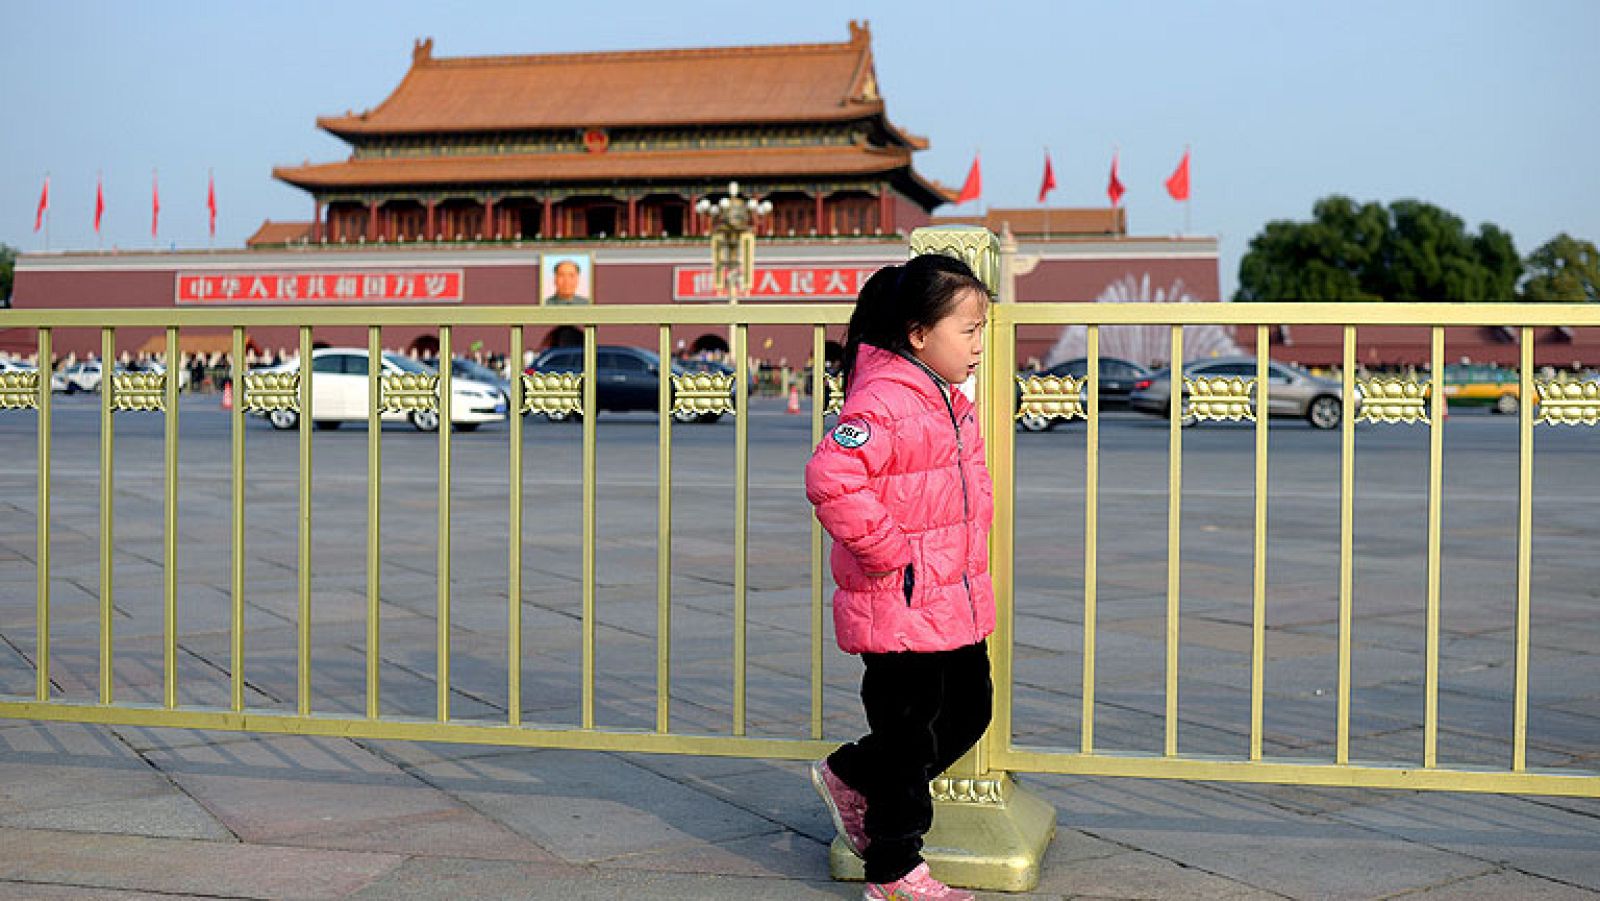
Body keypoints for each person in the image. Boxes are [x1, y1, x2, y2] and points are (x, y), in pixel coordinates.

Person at [803, 253, 995, 901]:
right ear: (918, 333)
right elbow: (832, 476)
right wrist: (889, 553)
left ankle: (854, 772)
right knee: (910, 738)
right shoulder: (884, 400)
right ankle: (892, 870)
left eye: (981, 331)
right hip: (901, 604)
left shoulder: (943, 397)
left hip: (951, 600)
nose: (977, 345)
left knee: (970, 708)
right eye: (967, 330)